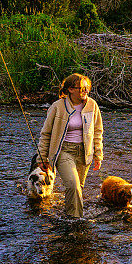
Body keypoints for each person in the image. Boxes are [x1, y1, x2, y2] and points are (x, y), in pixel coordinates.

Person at [38, 73, 103, 218]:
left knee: (77, 188)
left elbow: (98, 131)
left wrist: (98, 154)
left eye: (87, 88)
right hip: (63, 151)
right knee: (73, 186)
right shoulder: (57, 107)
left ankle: (69, 215)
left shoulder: (92, 105)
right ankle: (76, 220)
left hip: (84, 152)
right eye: (81, 88)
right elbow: (46, 133)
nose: (85, 91)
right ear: (70, 90)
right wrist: (42, 158)